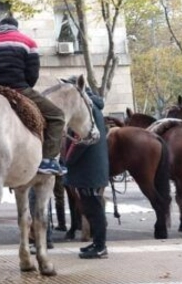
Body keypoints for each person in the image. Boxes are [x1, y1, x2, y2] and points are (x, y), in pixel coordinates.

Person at [0, 16, 66, 175]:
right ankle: (48, 160)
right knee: (57, 115)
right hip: (16, 87)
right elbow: (32, 73)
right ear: (15, 27)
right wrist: (26, 88)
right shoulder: (28, 42)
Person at [63, 87, 109, 259]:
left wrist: (67, 161)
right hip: (91, 166)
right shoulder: (93, 106)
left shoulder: (84, 107)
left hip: (87, 167)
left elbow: (80, 140)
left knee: (93, 206)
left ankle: (100, 246)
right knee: (91, 205)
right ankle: (97, 242)